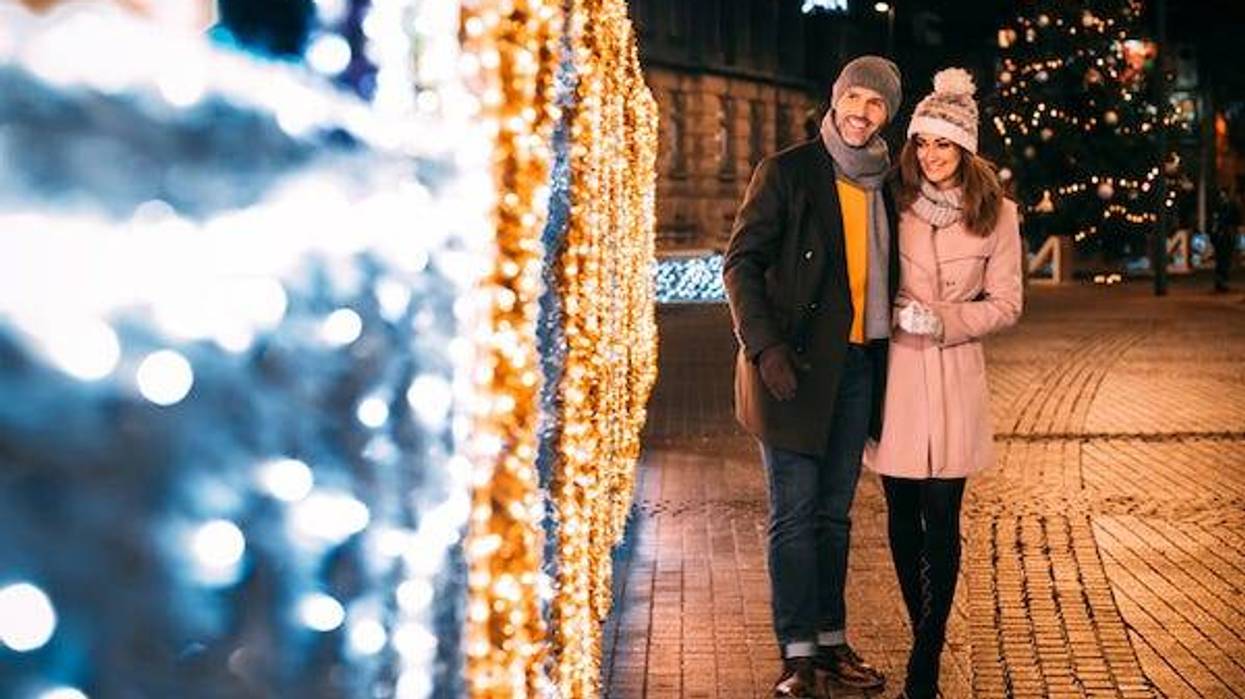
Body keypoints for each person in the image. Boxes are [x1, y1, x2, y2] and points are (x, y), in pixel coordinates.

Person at [724, 55, 901, 698]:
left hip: (858, 367)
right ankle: (797, 654)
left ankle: (830, 643)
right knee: (795, 515)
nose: (861, 113)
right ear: (835, 99)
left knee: (834, 515)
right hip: (791, 368)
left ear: (887, 115)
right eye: (854, 98)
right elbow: (741, 263)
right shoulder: (789, 171)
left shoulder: (888, 184)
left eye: (876, 104)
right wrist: (765, 346)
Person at [867, 68, 1023, 699]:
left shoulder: (998, 214)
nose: (931, 155)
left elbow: (1007, 304)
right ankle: (923, 633)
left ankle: (925, 656)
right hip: (898, 378)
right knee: (902, 515)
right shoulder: (891, 201)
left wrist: (947, 320)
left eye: (944, 144)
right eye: (923, 143)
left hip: (955, 374)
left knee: (942, 514)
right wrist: (893, 313)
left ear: (965, 149)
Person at [1211, 187, 1240, 293]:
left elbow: (1235, 220)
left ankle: (1222, 281)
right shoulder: (1222, 206)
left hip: (1225, 235)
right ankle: (1221, 281)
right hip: (1223, 236)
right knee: (1222, 260)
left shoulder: (1227, 206)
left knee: (1224, 260)